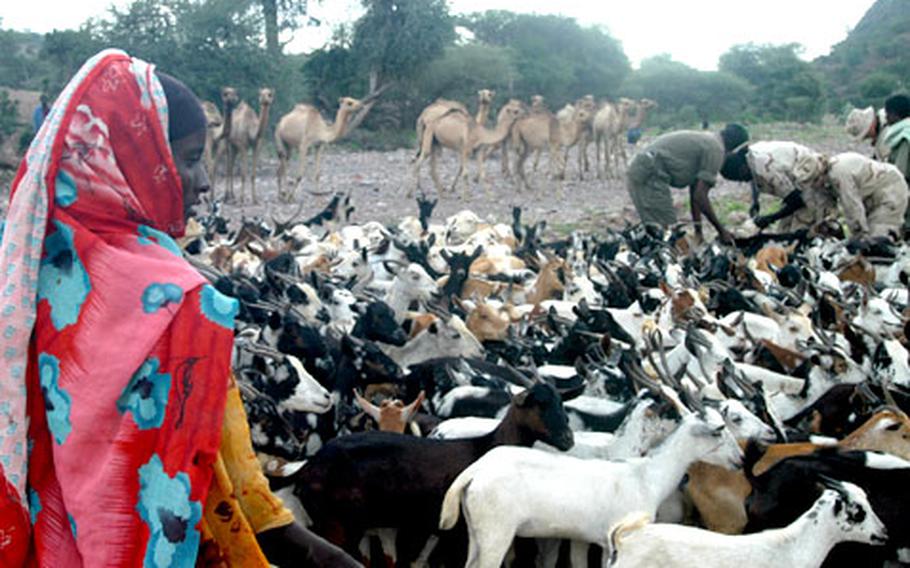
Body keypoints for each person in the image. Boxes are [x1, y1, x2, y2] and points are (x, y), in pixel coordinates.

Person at [0, 49, 359, 567]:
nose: (205, 182)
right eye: (189, 160)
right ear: (136, 161)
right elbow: (214, 476)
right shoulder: (176, 300)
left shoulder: (25, 269)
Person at [626, 123, 749, 243]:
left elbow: (695, 194)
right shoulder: (716, 150)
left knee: (659, 234)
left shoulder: (710, 140)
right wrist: (721, 231)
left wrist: (699, 232)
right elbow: (700, 197)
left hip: (645, 170)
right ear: (734, 147)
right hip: (650, 176)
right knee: (668, 237)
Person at [719, 141, 838, 231]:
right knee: (783, 230)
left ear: (743, 169)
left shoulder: (767, 170)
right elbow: (754, 177)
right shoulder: (748, 157)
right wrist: (755, 202)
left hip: (811, 175)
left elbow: (796, 201)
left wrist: (769, 219)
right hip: (797, 178)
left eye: (741, 179)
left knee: (806, 229)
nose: (744, 181)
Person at [825, 152, 909, 239]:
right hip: (873, 194)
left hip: (890, 188)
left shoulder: (838, 174)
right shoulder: (828, 172)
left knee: (876, 239)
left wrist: (860, 234)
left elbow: (852, 207)